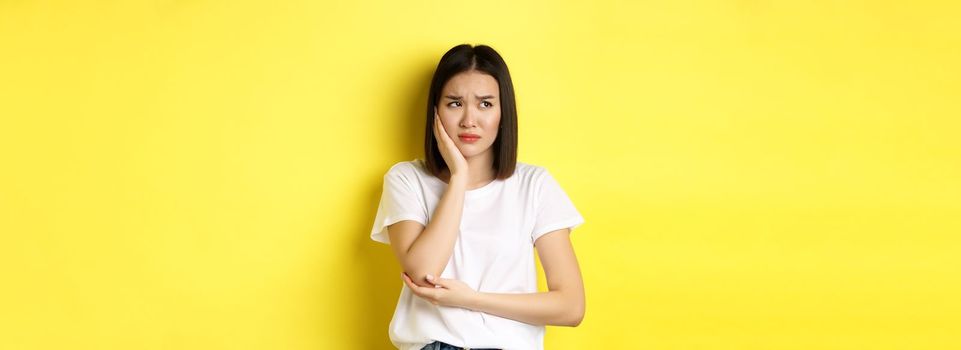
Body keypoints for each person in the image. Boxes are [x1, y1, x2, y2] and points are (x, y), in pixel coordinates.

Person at [370, 43, 586, 350]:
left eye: (485, 104)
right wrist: (459, 177)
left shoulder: (534, 185)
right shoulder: (407, 179)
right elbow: (422, 272)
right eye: (455, 103)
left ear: (503, 112)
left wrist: (470, 299)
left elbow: (570, 306)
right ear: (435, 111)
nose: (469, 120)